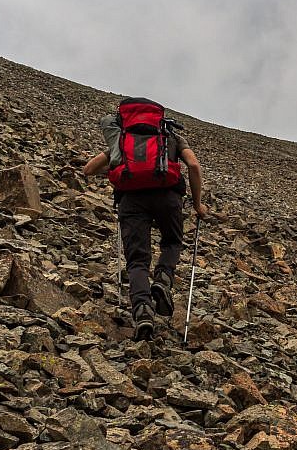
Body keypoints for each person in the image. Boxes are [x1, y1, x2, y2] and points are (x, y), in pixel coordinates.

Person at [82, 97, 208, 339]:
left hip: (131, 200)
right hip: (167, 197)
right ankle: (163, 278)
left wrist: (122, 169)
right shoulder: (169, 137)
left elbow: (88, 169)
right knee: (171, 241)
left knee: (137, 260)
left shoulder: (123, 140)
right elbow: (193, 166)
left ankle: (142, 311)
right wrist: (198, 204)